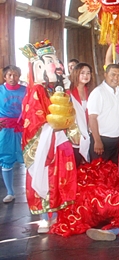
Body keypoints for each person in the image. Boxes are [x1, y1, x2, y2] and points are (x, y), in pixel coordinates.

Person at [20, 40, 77, 233]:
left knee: (62, 176)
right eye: (51, 60)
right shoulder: (37, 91)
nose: (58, 65)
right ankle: (46, 216)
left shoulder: (55, 88)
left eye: (57, 60)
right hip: (46, 141)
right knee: (46, 176)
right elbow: (34, 120)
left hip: (60, 139)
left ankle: (60, 212)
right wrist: (53, 127)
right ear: (39, 67)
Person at [88, 64, 119, 164]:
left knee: (114, 173)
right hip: (102, 140)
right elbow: (92, 118)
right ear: (105, 75)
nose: (116, 78)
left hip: (117, 140)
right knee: (100, 173)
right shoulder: (98, 92)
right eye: (113, 74)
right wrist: (97, 141)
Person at [0, 65, 26, 203]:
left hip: (23, 129)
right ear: (5, 77)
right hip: (5, 130)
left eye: (15, 75)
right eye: (9, 75)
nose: (12, 78)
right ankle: (10, 192)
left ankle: (30, 191)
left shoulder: (25, 91)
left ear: (19, 76)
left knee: (29, 159)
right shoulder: (0, 91)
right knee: (6, 160)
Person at [68, 62, 94, 166]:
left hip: (88, 132)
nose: (86, 76)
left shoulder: (91, 91)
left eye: (88, 73)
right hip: (73, 135)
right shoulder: (68, 92)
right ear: (76, 74)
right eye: (82, 73)